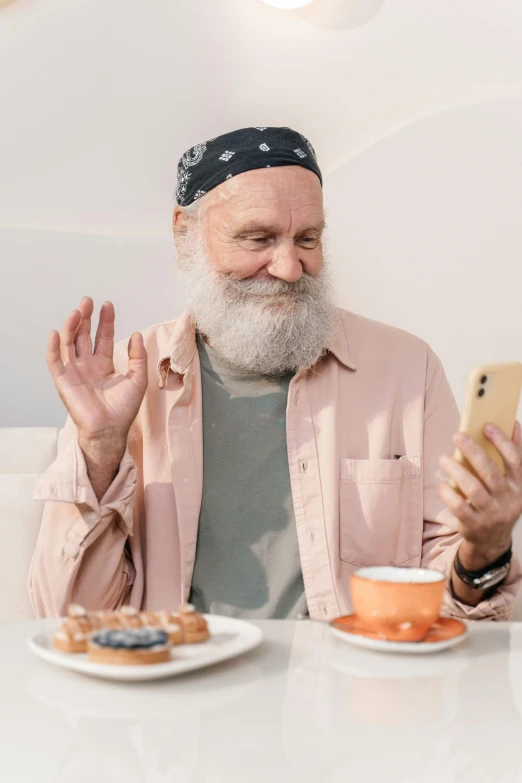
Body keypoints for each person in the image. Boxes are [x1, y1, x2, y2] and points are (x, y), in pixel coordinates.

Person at [29, 126, 522, 620]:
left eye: (307, 239)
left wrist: (486, 551)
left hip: (351, 684)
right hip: (173, 683)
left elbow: (450, 605)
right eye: (257, 238)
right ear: (185, 235)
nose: (289, 267)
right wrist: (99, 455)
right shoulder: (119, 384)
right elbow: (68, 615)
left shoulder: (408, 371)